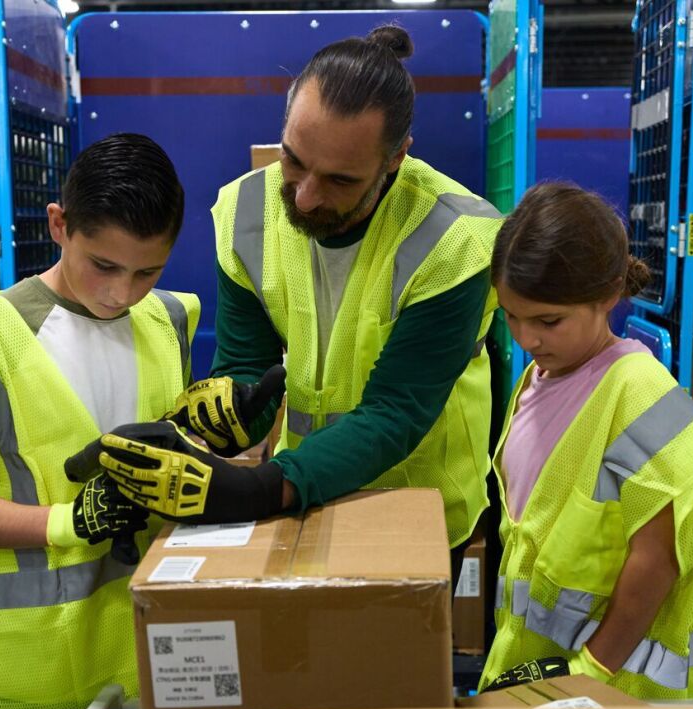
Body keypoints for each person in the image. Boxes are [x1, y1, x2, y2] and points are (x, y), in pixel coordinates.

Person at [71, 25, 504, 579]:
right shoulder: (245, 212)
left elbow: (397, 411)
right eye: (294, 160)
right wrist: (230, 416)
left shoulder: (457, 239)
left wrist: (257, 488)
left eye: (341, 180)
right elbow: (245, 359)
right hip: (304, 497)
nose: (304, 195)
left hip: (411, 503)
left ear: (396, 158)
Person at [0, 133, 199, 709]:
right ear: (60, 225)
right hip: (37, 665)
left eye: (147, 272)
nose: (121, 292)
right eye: (104, 265)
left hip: (150, 644)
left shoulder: (167, 321)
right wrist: (70, 520)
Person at [477, 182, 693, 700]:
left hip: (619, 689)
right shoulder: (534, 381)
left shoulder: (636, 391)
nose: (526, 338)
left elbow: (657, 560)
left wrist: (591, 672)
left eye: (549, 321)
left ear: (609, 294)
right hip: (540, 672)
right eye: (511, 315)